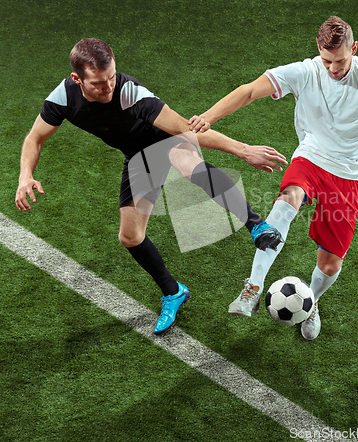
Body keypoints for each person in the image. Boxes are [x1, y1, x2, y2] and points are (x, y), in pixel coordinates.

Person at [188, 16, 358, 340]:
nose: (333, 68)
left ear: (354, 49)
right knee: (286, 200)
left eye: (340, 61)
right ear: (318, 51)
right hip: (311, 157)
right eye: (326, 60)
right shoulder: (305, 71)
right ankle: (253, 288)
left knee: (330, 264)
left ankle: (311, 302)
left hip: (348, 173)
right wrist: (207, 116)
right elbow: (249, 92)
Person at [15, 38, 287, 334]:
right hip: (139, 159)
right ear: (76, 79)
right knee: (130, 236)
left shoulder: (130, 92)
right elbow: (35, 138)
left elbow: (183, 129)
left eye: (111, 77)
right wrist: (25, 176)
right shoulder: (63, 99)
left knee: (188, 166)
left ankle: (256, 226)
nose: (107, 87)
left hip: (163, 139)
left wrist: (242, 149)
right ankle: (174, 291)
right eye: (98, 83)